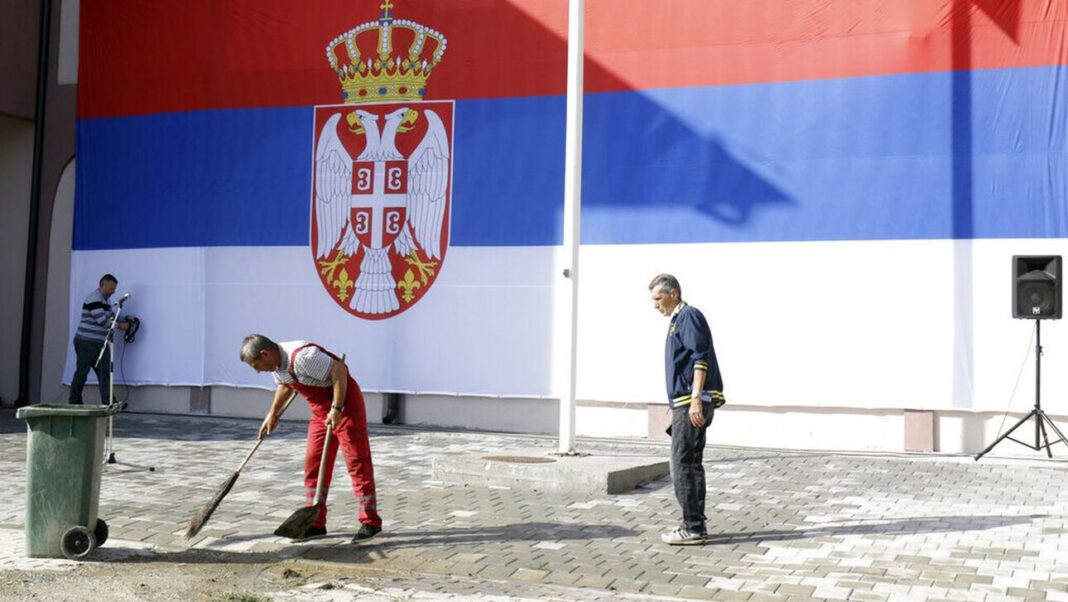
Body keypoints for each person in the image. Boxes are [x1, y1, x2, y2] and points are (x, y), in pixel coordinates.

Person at [240, 334, 382, 543]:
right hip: (319, 412)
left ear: (265, 354)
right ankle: (315, 523)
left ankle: (370, 521)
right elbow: (286, 385)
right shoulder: (277, 365)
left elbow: (339, 372)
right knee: (313, 464)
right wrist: (273, 414)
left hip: (346, 405)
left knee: (356, 462)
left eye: (256, 365)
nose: (257, 370)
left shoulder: (304, 357)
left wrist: (337, 408)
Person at [649, 273, 725, 545]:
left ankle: (692, 527)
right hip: (685, 403)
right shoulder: (677, 320)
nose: (655, 305)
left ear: (674, 294)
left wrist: (695, 398)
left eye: (658, 298)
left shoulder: (689, 316)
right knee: (687, 463)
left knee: (683, 464)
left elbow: (699, 358)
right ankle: (694, 524)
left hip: (692, 402)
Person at [70, 274, 130, 404]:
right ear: (102, 285)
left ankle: (109, 402)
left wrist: (125, 318)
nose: (113, 291)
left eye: (114, 289)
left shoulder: (105, 301)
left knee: (105, 373)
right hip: (87, 342)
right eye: (110, 288)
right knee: (82, 373)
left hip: (100, 343)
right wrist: (121, 326)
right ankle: (74, 402)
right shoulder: (94, 298)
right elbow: (102, 321)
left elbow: (111, 317)